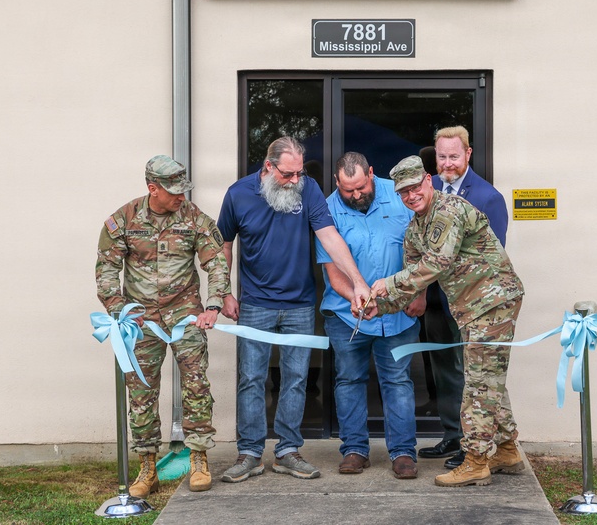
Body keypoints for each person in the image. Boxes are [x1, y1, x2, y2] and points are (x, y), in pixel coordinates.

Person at [359, 155, 525, 488]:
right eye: (403, 191)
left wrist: (385, 285)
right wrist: (379, 305)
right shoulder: (415, 229)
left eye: (415, 187)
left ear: (428, 181)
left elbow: (436, 263)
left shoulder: (448, 211)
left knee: (478, 383)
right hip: (471, 307)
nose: (411, 196)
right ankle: (506, 450)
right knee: (486, 377)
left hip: (493, 300)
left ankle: (476, 461)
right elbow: (413, 282)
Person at [217, 136, 371, 483]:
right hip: (255, 303)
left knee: (297, 379)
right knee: (251, 379)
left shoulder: (308, 188)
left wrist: (358, 282)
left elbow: (329, 235)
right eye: (288, 174)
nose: (294, 180)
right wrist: (223, 292)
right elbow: (223, 245)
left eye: (299, 173)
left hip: (301, 303)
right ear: (268, 167)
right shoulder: (238, 194)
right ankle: (250, 453)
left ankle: (287, 451)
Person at [96, 155, 230, 496]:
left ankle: (198, 457)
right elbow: (106, 270)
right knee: (141, 393)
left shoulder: (194, 218)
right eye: (173, 191)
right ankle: (147, 465)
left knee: (196, 385)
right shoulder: (122, 220)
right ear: (152, 188)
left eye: (183, 189)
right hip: (141, 322)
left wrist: (214, 304)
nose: (180, 197)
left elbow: (216, 262)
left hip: (185, 314)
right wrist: (119, 308)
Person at [316, 152, 425, 480]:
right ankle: (354, 449)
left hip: (399, 312)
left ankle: (404, 452)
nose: (356, 195)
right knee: (349, 380)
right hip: (348, 314)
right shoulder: (328, 208)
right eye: (348, 190)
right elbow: (333, 273)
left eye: (361, 187)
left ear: (372, 174)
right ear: (337, 183)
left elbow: (423, 254)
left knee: (398, 381)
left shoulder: (401, 195)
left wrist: (420, 293)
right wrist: (356, 298)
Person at [419, 126, 509, 470]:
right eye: (441, 157)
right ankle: (452, 435)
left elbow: (492, 258)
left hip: (473, 306)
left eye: (453, 156)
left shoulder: (488, 197)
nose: (447, 163)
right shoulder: (431, 190)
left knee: (473, 377)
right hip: (439, 303)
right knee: (444, 373)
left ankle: (475, 446)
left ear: (468, 154)